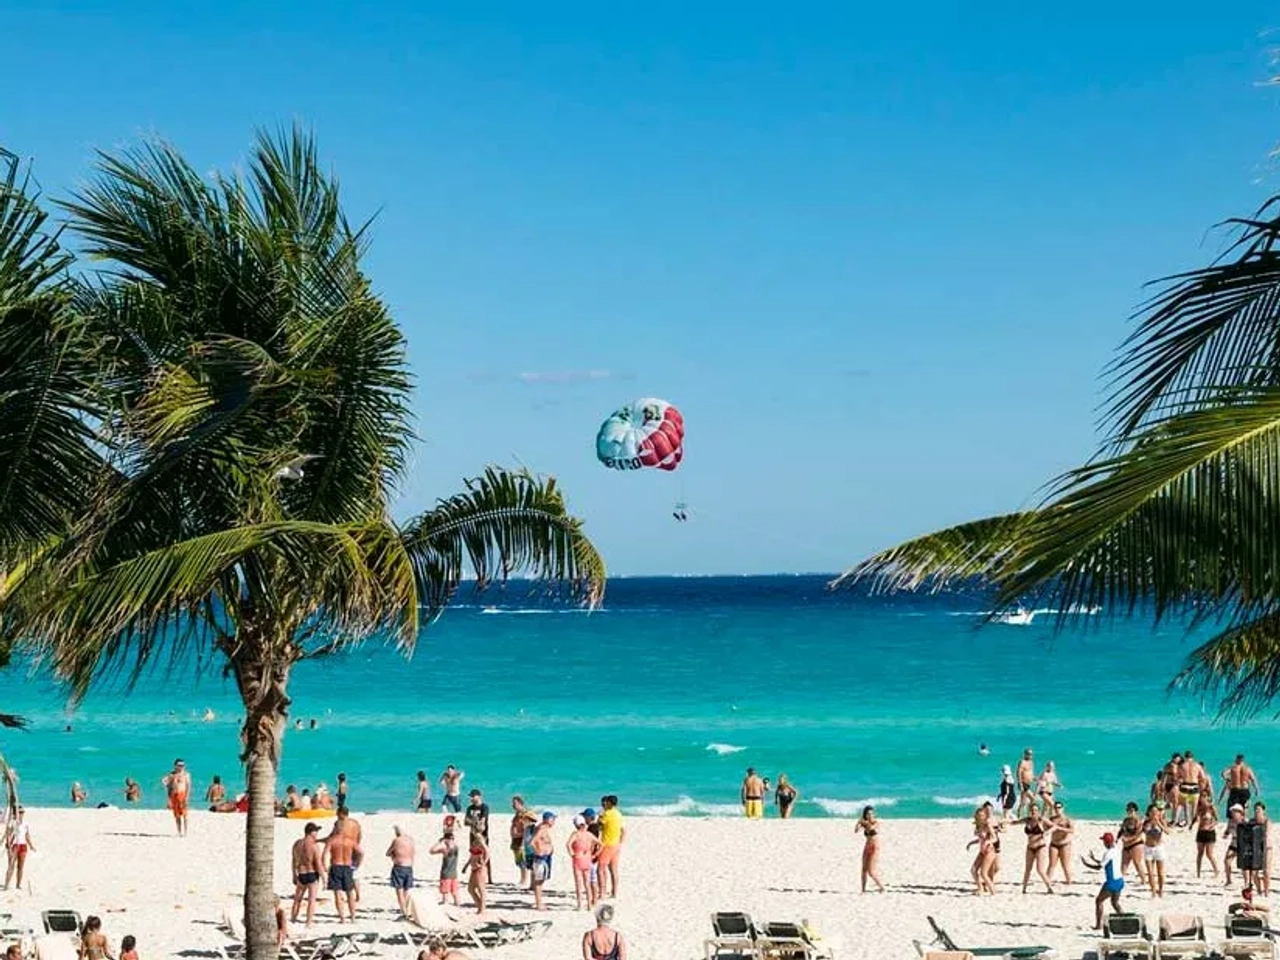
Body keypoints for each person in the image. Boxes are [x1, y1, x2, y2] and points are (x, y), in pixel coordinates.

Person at [1084, 832, 1125, 931]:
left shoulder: (1108, 853)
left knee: (1099, 901)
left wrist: (1086, 864)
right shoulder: (1117, 850)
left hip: (1111, 882)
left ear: (1106, 842)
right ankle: (1125, 920)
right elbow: (1106, 863)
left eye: (1103, 841)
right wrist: (1093, 859)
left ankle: (1099, 925)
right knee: (1115, 903)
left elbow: (1099, 867)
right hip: (1119, 880)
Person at [324, 812, 359, 923]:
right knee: (349, 893)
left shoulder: (332, 840)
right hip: (347, 867)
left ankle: (342, 918)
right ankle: (353, 917)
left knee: (338, 894)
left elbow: (324, 855)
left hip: (336, 866)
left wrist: (325, 867)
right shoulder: (350, 841)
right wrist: (357, 864)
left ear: (336, 829)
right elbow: (361, 853)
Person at [291, 822, 325, 927]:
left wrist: (294, 875)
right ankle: (308, 923)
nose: (317, 833)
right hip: (312, 874)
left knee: (297, 899)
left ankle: (293, 919)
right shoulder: (314, 846)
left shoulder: (297, 844)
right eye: (316, 831)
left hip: (301, 873)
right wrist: (324, 878)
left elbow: (294, 861)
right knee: (311, 900)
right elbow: (318, 864)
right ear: (311, 832)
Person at [567, 814, 602, 911]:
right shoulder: (589, 834)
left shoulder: (575, 834)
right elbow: (600, 844)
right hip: (588, 858)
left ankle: (579, 905)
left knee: (578, 883)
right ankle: (589, 905)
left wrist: (572, 854)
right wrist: (595, 855)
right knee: (587, 883)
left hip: (578, 858)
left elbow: (568, 844)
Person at [597, 795, 625, 899]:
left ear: (609, 803)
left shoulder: (606, 814)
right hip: (616, 844)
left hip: (607, 844)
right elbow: (623, 830)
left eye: (604, 803)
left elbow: (599, 827)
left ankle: (602, 892)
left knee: (600, 869)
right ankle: (614, 892)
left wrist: (599, 816)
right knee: (613, 869)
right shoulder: (619, 814)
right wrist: (620, 842)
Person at [386, 825, 416, 919]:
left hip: (399, 866)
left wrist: (393, 855)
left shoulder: (397, 840)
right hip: (409, 866)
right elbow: (413, 853)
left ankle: (404, 912)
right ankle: (406, 908)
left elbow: (388, 852)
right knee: (406, 890)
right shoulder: (411, 840)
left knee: (399, 890)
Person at [855, 805, 884, 893]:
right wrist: (858, 823)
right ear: (865, 815)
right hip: (867, 846)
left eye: (871, 813)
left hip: (875, 847)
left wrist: (863, 822)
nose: (870, 815)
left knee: (871, 871)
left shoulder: (876, 822)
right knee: (863, 869)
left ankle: (881, 887)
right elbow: (856, 831)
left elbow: (871, 828)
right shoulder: (864, 823)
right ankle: (863, 890)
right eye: (868, 814)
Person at [4, 806, 33, 891]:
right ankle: (7, 884)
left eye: (22, 812)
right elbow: (8, 834)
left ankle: (18, 884)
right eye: (19, 812)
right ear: (16, 813)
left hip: (23, 845)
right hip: (15, 845)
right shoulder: (13, 823)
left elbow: (27, 835)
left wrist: (31, 845)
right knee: (11, 866)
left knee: (20, 867)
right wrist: (8, 844)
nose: (21, 814)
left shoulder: (25, 824)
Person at [1142, 803, 1168, 898]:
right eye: (1152, 812)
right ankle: (1153, 891)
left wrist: (1159, 823)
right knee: (1150, 872)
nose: (1154, 813)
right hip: (1148, 848)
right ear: (1149, 813)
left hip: (1159, 848)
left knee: (1160, 872)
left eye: (1156, 811)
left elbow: (1167, 831)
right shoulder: (1146, 822)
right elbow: (1143, 831)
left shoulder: (1161, 821)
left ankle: (1160, 890)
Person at [430, 827, 460, 907]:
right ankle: (457, 905)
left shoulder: (445, 849)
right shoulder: (456, 848)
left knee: (445, 893)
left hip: (446, 873)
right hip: (454, 874)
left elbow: (431, 851)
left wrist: (439, 842)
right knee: (455, 893)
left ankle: (445, 905)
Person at [510, 796, 537, 886]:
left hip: (522, 840)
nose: (513, 806)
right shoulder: (517, 814)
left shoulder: (527, 813)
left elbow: (530, 826)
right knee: (519, 861)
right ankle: (522, 878)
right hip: (516, 840)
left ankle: (524, 880)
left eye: (515, 804)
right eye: (513, 804)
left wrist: (521, 834)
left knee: (523, 861)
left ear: (520, 803)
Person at [1047, 801, 1075, 885]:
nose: (1057, 809)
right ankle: (1047, 881)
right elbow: (1045, 828)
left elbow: (1072, 830)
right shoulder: (1052, 819)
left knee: (1065, 865)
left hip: (1065, 844)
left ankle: (1069, 882)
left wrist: (1060, 828)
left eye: (1059, 807)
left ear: (1062, 809)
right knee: (1052, 864)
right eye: (1055, 807)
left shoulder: (1067, 819)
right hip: (1054, 843)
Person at [162, 758, 191, 836]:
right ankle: (179, 832)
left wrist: (186, 797)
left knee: (184, 815)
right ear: (175, 766)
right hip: (174, 796)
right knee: (177, 815)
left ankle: (185, 832)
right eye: (179, 765)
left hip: (182, 794)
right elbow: (167, 785)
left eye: (183, 765)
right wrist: (169, 799)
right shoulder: (171, 775)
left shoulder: (186, 774)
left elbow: (188, 787)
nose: (181, 767)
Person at [1194, 795, 1220, 879]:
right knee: (1200, 854)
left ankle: (1216, 871)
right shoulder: (1200, 809)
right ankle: (1198, 872)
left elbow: (1217, 820)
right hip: (1200, 832)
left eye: (1205, 798)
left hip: (1210, 833)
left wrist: (1211, 826)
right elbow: (1196, 818)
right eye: (1202, 798)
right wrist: (1191, 825)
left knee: (1209, 854)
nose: (1203, 800)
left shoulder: (1212, 808)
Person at [463, 836, 489, 915]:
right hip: (473, 869)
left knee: (481, 889)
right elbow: (472, 857)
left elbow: (488, 853)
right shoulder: (474, 843)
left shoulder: (483, 846)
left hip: (480, 869)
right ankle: (480, 907)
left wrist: (483, 863)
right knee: (470, 889)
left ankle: (482, 909)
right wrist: (466, 866)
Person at [464, 790, 491, 864]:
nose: (471, 798)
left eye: (473, 796)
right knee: (474, 854)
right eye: (471, 797)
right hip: (472, 835)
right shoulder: (470, 808)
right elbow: (465, 822)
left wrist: (473, 822)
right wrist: (475, 822)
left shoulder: (484, 807)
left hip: (483, 835)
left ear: (479, 796)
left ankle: (486, 874)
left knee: (484, 854)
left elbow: (482, 823)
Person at [1015, 748, 1036, 818]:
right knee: (1032, 798)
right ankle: (1028, 814)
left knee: (1023, 802)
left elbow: (1031, 772)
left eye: (1031, 754)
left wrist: (1034, 778)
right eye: (1029, 754)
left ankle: (1020, 813)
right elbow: (1018, 772)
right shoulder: (1022, 762)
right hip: (1023, 784)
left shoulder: (1031, 762)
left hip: (1028, 784)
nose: (1030, 755)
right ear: (1025, 754)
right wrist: (1020, 783)